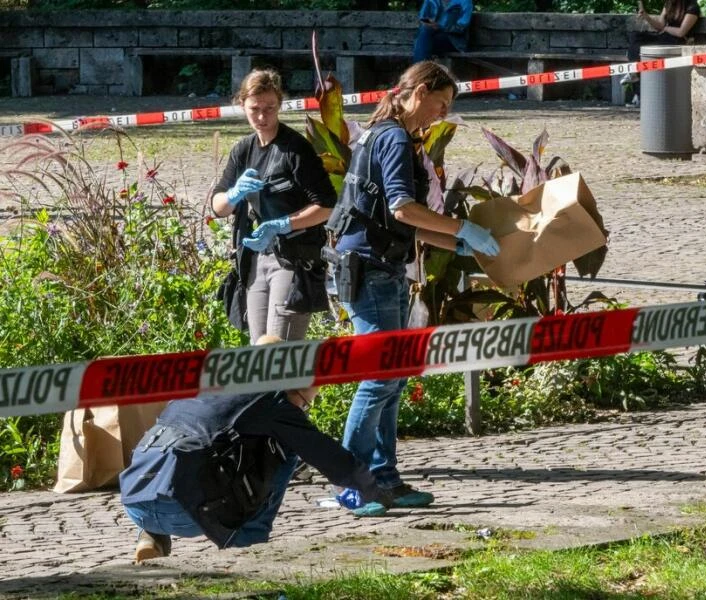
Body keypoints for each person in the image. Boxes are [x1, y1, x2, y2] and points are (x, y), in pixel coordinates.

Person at [324, 61, 499, 510]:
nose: (441, 114)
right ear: (419, 92)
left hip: (383, 266)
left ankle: (384, 478)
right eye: (441, 104)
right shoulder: (395, 137)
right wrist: (462, 228)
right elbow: (403, 208)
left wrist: (456, 243)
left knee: (393, 378)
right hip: (370, 271)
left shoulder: (385, 133)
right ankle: (352, 483)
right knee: (380, 377)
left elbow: (398, 222)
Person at [120, 335, 394, 562]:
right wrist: (374, 490)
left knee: (177, 459)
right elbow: (328, 457)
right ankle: (251, 550)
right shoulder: (274, 400)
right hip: (186, 513)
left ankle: (150, 536)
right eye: (304, 402)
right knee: (287, 451)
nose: (302, 410)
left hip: (135, 496)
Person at [210, 68, 337, 344]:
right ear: (242, 105)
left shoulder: (295, 149)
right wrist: (233, 194)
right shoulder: (244, 149)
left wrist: (282, 224)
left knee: (279, 351)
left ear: (280, 105)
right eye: (254, 108)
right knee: (259, 350)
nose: (262, 117)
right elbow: (218, 207)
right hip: (256, 258)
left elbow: (327, 206)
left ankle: (292, 389)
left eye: (270, 108)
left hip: (292, 259)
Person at [621, 0, 701, 105]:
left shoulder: (692, 8)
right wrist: (646, 17)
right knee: (635, 37)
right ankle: (634, 74)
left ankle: (637, 87)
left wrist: (665, 28)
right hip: (663, 36)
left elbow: (681, 32)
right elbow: (659, 25)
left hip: (676, 41)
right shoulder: (668, 4)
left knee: (641, 53)